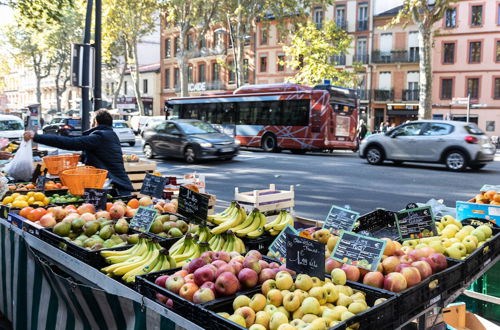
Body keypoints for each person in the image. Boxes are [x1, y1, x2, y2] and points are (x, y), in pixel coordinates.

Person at [24, 109, 134, 195]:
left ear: (95, 122)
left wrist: (36, 137)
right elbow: (103, 156)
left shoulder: (99, 136)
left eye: (92, 120)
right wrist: (83, 157)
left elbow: (71, 143)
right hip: (113, 184)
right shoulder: (109, 135)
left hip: (114, 187)